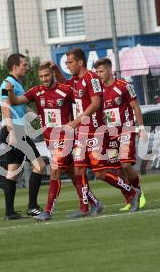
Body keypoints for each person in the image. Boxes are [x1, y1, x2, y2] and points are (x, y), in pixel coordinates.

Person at [5, 61, 100, 220]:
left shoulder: (66, 90)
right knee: (71, 173)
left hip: (66, 138)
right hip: (50, 140)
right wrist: (10, 92)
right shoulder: (37, 91)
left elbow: (86, 100)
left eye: (47, 75)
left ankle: (48, 211)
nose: (44, 79)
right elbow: (15, 101)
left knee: (54, 170)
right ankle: (94, 203)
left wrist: (80, 121)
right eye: (41, 76)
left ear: (53, 74)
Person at [65, 48, 140, 217]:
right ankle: (88, 206)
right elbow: (64, 86)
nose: (67, 66)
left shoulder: (92, 78)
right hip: (82, 133)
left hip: (96, 131)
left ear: (79, 62)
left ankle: (132, 192)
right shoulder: (75, 80)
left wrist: (76, 121)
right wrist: (55, 70)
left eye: (69, 62)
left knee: (100, 173)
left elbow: (96, 103)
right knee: (78, 170)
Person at [94, 57, 147, 211]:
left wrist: (141, 127)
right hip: (109, 134)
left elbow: (135, 107)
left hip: (126, 130)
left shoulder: (124, 86)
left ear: (110, 70)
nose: (99, 74)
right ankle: (129, 199)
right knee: (117, 169)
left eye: (101, 71)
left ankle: (138, 191)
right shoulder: (99, 92)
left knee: (126, 164)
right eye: (97, 72)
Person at [0, 53, 46, 220]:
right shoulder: (8, 83)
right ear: (15, 67)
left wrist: (37, 118)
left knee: (12, 170)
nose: (27, 67)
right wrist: (11, 130)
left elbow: (22, 106)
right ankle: (32, 206)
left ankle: (9, 212)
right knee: (39, 165)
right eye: (24, 64)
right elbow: (5, 106)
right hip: (15, 131)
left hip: (15, 130)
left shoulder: (16, 83)